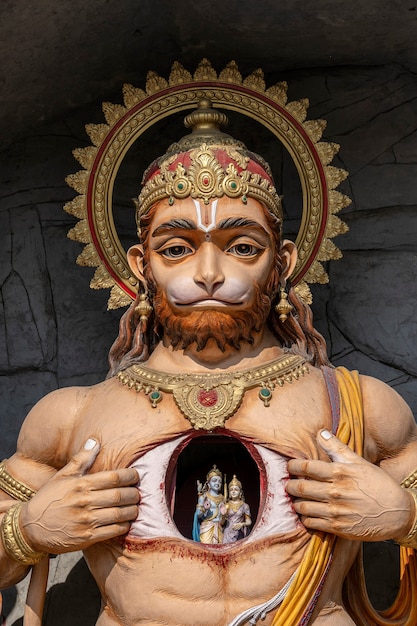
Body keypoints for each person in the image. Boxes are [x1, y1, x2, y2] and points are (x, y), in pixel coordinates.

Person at [1, 99, 417, 626]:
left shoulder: (362, 407)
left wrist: (404, 517)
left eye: (242, 246)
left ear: (283, 262)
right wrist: (27, 530)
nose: (209, 273)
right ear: (139, 264)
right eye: (176, 249)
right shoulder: (71, 417)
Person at [193, 465, 226, 544]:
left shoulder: (223, 498)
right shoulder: (204, 497)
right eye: (214, 480)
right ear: (208, 484)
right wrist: (205, 508)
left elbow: (223, 521)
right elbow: (198, 515)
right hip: (207, 528)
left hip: (219, 528)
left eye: (219, 481)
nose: (217, 483)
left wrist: (224, 515)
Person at [223, 475, 251, 544]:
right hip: (228, 533)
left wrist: (242, 524)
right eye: (231, 490)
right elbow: (221, 523)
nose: (233, 491)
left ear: (240, 492)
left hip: (239, 533)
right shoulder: (227, 505)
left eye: (236, 489)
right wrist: (223, 515)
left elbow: (249, 522)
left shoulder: (245, 506)